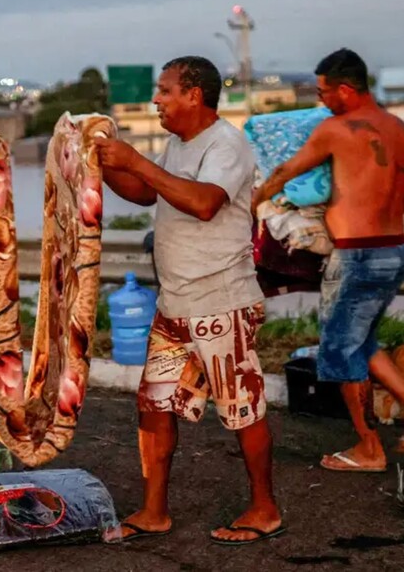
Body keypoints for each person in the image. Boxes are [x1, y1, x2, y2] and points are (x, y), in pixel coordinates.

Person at [93, 56, 284, 545]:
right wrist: (103, 162)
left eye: (164, 90)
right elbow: (145, 194)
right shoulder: (176, 143)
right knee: (153, 407)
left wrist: (136, 160)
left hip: (222, 298)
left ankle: (264, 508)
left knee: (242, 409)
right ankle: (155, 511)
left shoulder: (228, 143)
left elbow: (203, 202)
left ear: (194, 95)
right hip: (175, 303)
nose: (156, 99)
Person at [252, 48, 404, 471]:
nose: (320, 100)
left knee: (339, 352)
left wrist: (254, 201)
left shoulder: (337, 129)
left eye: (323, 92)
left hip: (357, 256)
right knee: (365, 343)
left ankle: (369, 449)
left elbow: (286, 171)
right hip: (394, 251)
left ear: (345, 90)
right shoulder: (397, 128)